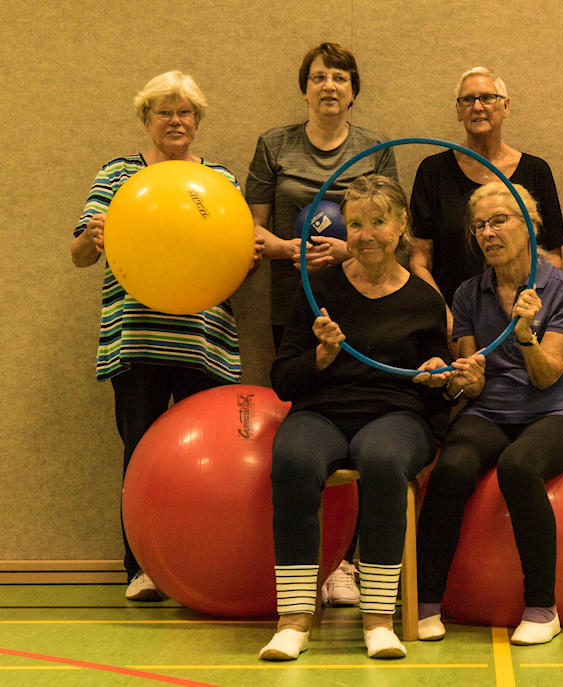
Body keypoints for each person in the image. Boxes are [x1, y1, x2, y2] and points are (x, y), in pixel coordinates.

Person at [70, 71, 261, 602]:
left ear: (197, 121)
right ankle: (143, 567)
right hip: (136, 343)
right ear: (146, 119)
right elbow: (80, 254)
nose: (175, 121)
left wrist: (244, 258)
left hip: (206, 343)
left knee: (209, 465)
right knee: (142, 457)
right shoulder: (118, 174)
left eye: (185, 113)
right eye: (163, 112)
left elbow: (232, 261)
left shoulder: (220, 180)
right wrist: (93, 234)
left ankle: (200, 563)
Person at [259, 175, 450, 661]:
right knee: (294, 459)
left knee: (384, 461)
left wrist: (436, 376)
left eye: (379, 222)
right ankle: (294, 619)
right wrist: (320, 357)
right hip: (321, 412)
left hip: (396, 414)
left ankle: (379, 619)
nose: (366, 235)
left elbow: (437, 395)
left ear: (402, 225)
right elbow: (283, 378)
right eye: (357, 223)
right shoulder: (317, 287)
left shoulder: (425, 299)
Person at [245, 42, 398, 606]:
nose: (328, 86)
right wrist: (291, 249)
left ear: (353, 89)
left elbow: (390, 225)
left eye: (339, 77)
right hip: (294, 299)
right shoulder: (274, 145)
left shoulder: (376, 149)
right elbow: (250, 231)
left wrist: (347, 248)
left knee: (365, 418)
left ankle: (350, 565)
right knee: (304, 415)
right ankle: (308, 560)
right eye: (318, 77)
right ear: (305, 87)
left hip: (361, 294)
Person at [416, 182, 563, 646]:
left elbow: (546, 376)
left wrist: (526, 331)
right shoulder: (468, 294)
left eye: (500, 221)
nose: (488, 233)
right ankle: (427, 602)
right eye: (479, 226)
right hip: (491, 409)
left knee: (519, 466)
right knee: (451, 467)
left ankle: (541, 607)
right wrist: (458, 377)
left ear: (531, 227)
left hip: (557, 411)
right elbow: (472, 378)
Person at [410, 66, 563, 309]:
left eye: (487, 98)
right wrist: (446, 319)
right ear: (458, 111)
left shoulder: (536, 171)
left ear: (506, 106)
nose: (477, 106)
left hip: (522, 314)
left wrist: (535, 312)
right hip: (451, 313)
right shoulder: (433, 172)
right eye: (467, 100)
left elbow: (552, 256)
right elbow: (419, 259)